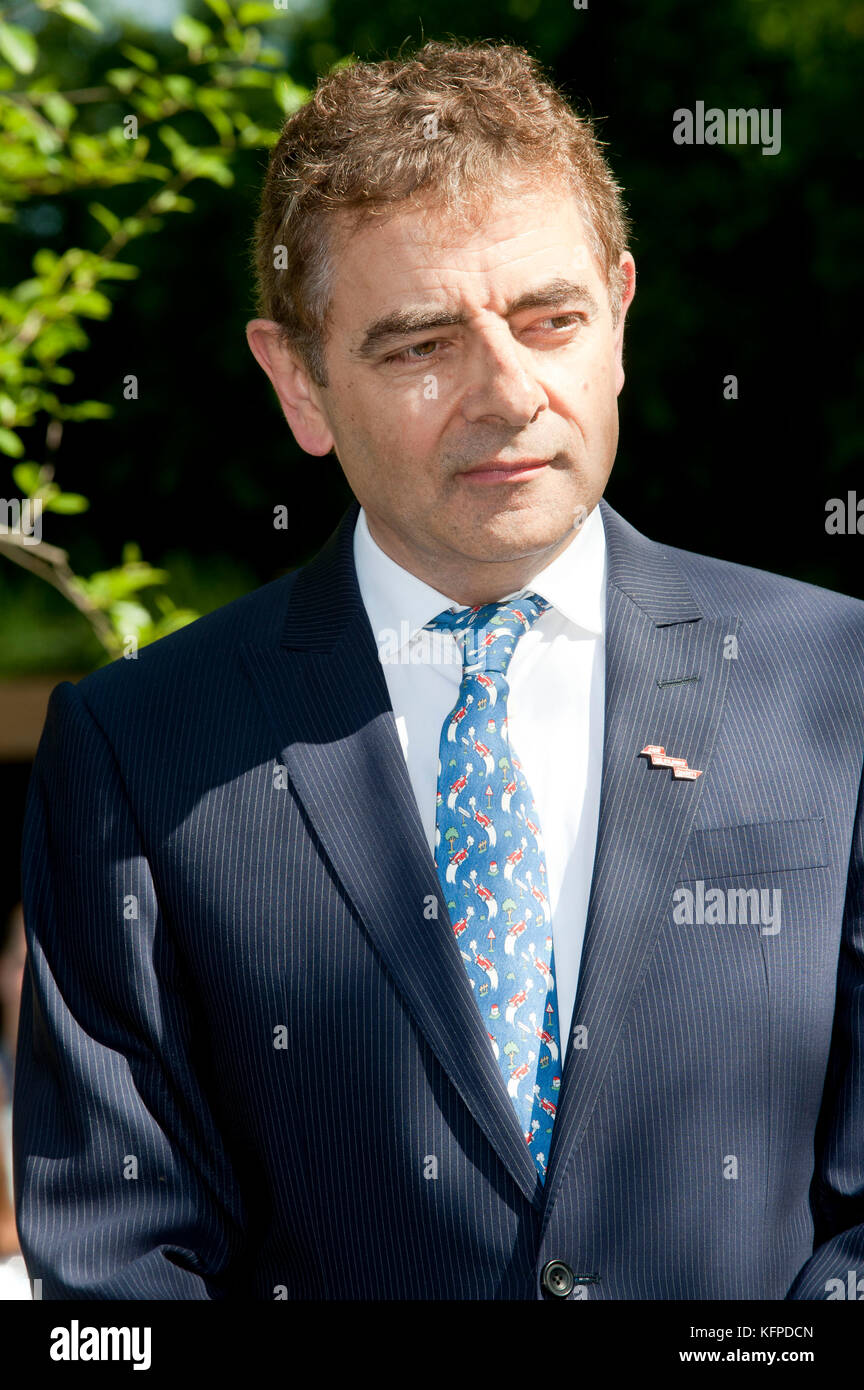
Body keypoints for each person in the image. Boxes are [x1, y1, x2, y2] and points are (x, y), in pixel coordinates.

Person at [13, 40, 864, 1301]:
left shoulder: (839, 682)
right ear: (299, 381)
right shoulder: (143, 747)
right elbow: (115, 1264)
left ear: (621, 317)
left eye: (551, 320)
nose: (510, 391)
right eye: (420, 346)